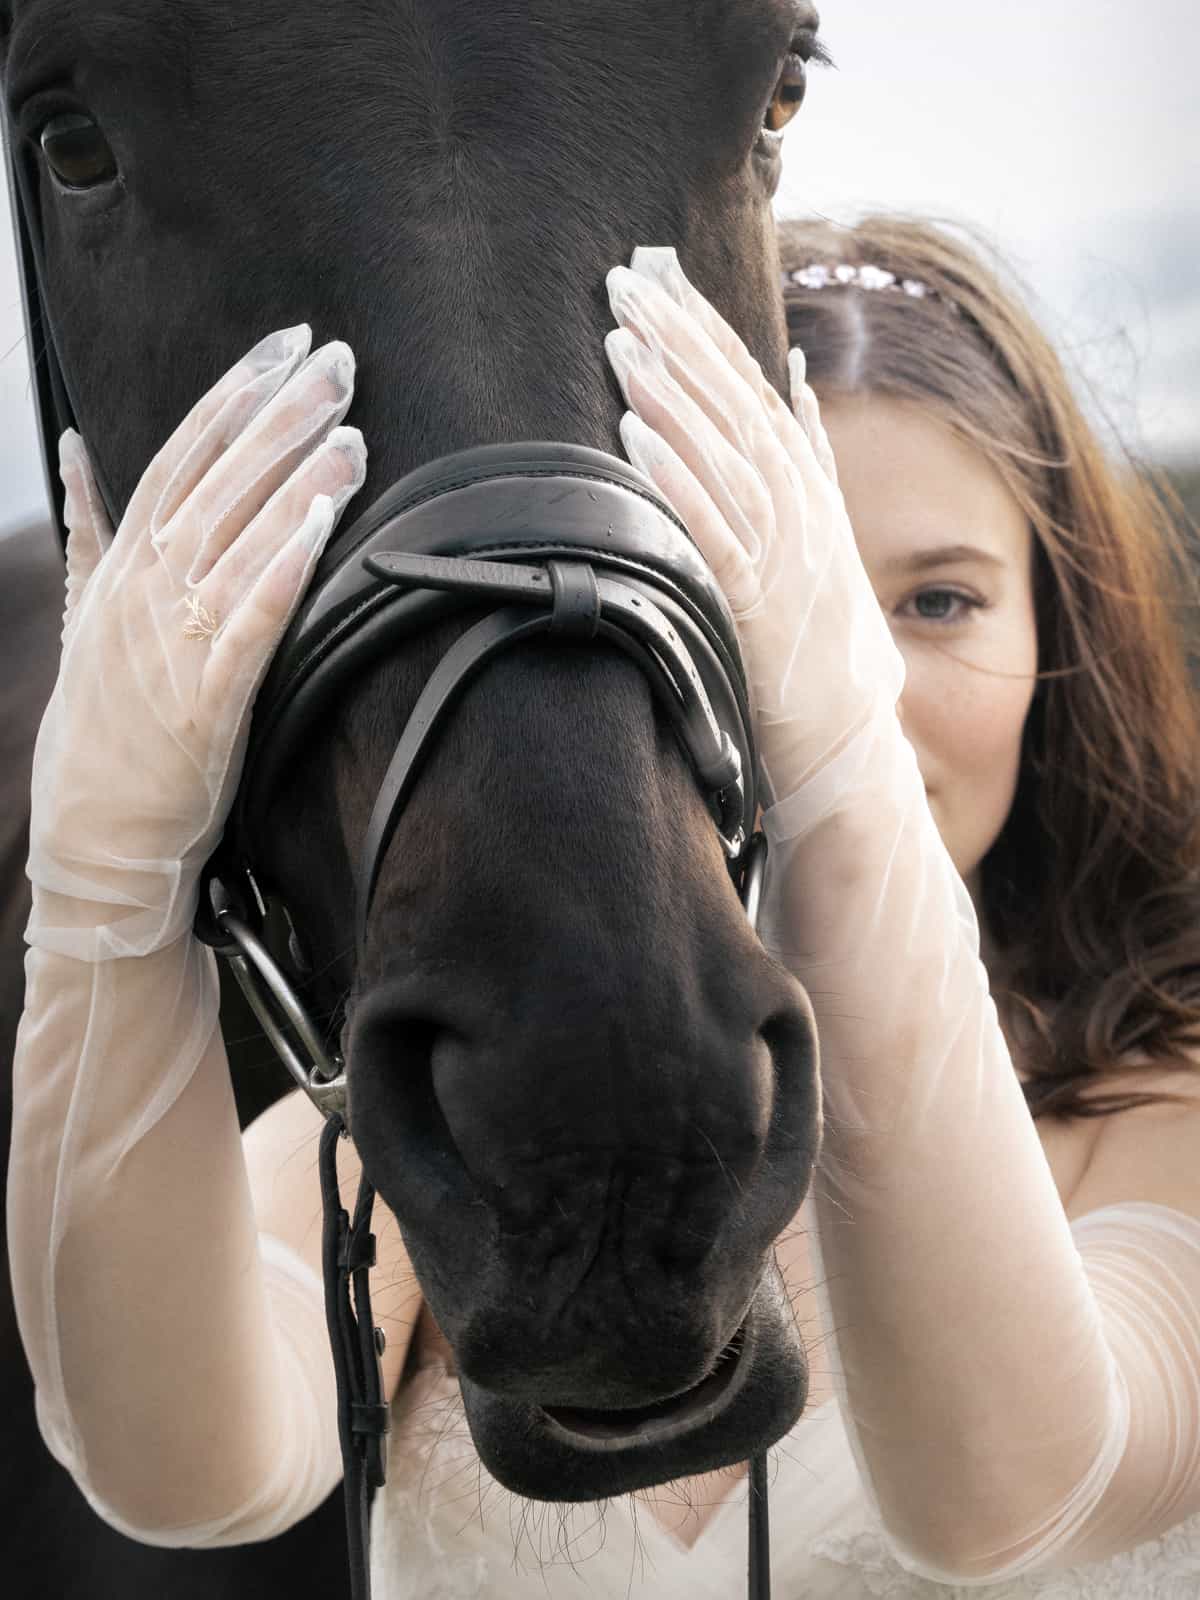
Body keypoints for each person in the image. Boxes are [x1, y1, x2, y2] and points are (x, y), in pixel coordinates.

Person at [9, 219, 1200, 1600]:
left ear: (1057, 636)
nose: (857, 663)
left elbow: (1008, 1498)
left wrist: (839, 758)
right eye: (734, 599)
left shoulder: (1162, 1112)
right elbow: (177, 1472)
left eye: (939, 600)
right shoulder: (458, 1139)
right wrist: (105, 871)